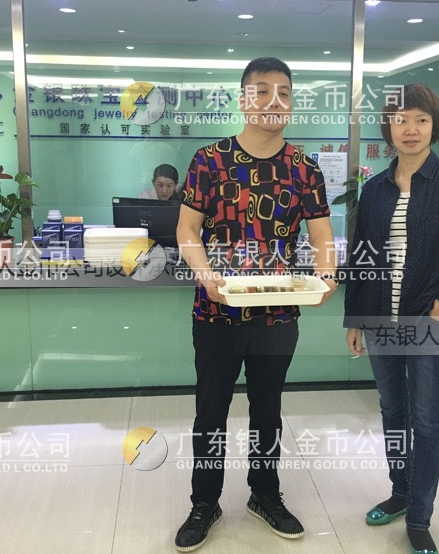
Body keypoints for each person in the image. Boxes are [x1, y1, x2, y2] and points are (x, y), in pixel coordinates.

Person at [175, 57, 337, 552]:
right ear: (244, 99)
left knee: (268, 410)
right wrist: (205, 276)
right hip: (216, 311)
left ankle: (265, 494)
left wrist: (326, 276)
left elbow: (322, 236)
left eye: (284, 92)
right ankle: (204, 502)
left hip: (278, 313)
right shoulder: (209, 160)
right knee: (210, 411)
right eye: (262, 91)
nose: (274, 101)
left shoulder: (304, 168)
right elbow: (187, 229)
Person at [343, 83, 439, 554]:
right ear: (389, 128)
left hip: (431, 321)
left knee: (425, 421)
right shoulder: (375, 189)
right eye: (401, 119)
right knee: (393, 412)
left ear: (434, 127)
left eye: (421, 120)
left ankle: (420, 517)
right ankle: (400, 492)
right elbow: (362, 258)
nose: (410, 129)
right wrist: (355, 318)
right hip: (381, 322)